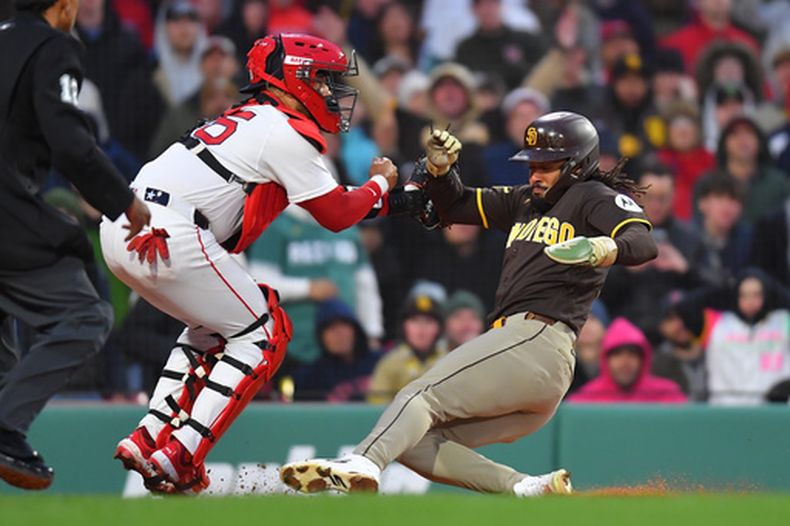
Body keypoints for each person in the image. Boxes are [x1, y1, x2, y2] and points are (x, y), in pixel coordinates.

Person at [280, 111, 657, 496]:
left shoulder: (590, 195)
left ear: (578, 165)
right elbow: (454, 206)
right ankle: (526, 488)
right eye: (531, 164)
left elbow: (643, 242)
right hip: (535, 364)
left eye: (546, 165)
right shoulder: (525, 201)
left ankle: (362, 461)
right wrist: (441, 171)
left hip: (537, 337)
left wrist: (602, 246)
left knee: (417, 395)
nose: (534, 174)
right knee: (414, 441)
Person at [100, 34, 408, 495]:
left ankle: (148, 436)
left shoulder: (251, 121)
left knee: (215, 328)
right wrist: (382, 184)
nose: (331, 91)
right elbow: (339, 214)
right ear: (293, 80)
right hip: (172, 229)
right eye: (322, 79)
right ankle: (181, 453)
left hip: (126, 224)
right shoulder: (283, 130)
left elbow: (328, 203)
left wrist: (395, 201)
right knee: (265, 331)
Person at [0, 0, 150, 490]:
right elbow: (69, 140)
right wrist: (123, 200)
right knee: (86, 316)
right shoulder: (53, 46)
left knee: (5, 358)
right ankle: (4, 430)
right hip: (8, 212)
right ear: (62, 7)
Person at [568, 318, 687, 404]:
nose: (625, 362)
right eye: (617, 354)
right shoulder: (584, 401)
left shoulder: (669, 397)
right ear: (605, 359)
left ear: (643, 359)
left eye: (632, 354)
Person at [293, 299, 381, 402]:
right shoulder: (309, 378)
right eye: (331, 328)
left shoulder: (382, 363)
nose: (339, 333)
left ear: (355, 329)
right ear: (321, 337)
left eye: (344, 325)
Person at [367, 294, 446, 404]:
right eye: (415, 320)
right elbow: (376, 405)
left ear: (439, 328)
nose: (421, 327)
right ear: (404, 326)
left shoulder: (449, 361)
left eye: (428, 321)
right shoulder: (389, 363)